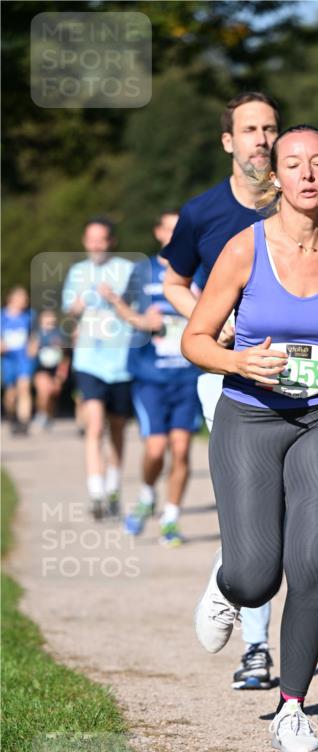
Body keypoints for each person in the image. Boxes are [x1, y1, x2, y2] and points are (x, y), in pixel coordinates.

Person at [180, 124, 318, 752]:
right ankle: (227, 585)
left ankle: (293, 708)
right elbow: (194, 340)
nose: (308, 174)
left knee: (310, 566)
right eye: (295, 164)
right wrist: (239, 363)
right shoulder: (243, 252)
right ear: (275, 176)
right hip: (249, 416)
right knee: (256, 576)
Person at [162, 91, 281, 690]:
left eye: (270, 128)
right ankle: (257, 647)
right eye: (250, 129)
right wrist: (210, 321)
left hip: (293, 375)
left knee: (277, 508)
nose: (262, 139)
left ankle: (223, 581)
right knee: (254, 498)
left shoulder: (301, 205)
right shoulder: (203, 212)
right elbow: (173, 279)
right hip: (225, 373)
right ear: (228, 141)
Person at [100, 211, 202, 548]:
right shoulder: (141, 271)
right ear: (158, 232)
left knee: (182, 449)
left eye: (180, 229)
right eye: (168, 229)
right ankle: (147, 495)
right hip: (150, 375)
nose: (174, 235)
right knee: (156, 449)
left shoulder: (200, 269)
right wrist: (143, 320)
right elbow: (125, 312)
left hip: (188, 375)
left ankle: (171, 519)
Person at [62, 217, 135, 520]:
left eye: (101, 239)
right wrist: (75, 309)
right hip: (89, 360)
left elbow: (136, 311)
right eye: (90, 239)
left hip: (120, 361)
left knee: (117, 427)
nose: (95, 245)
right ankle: (96, 492)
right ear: (84, 241)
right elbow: (69, 310)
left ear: (111, 242)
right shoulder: (77, 272)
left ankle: (114, 485)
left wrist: (115, 299)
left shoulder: (127, 270)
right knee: (94, 425)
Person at [1, 286, 35, 434]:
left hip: (24, 358)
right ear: (11, 299)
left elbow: (36, 333)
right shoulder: (2, 317)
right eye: (21, 298)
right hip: (8, 358)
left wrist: (34, 344)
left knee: (24, 387)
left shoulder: (29, 316)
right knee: (10, 395)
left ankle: (24, 422)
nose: (24, 301)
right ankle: (12, 416)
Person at [30, 308, 70, 430]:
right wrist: (35, 345)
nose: (49, 320)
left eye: (51, 317)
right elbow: (30, 354)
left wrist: (61, 375)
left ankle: (48, 415)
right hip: (41, 368)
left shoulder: (60, 335)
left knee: (52, 394)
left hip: (56, 370)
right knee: (43, 392)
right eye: (46, 317)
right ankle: (40, 414)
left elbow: (65, 358)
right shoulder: (36, 334)